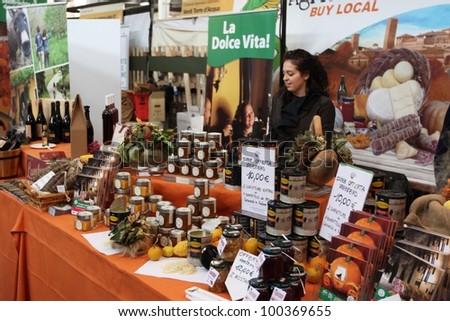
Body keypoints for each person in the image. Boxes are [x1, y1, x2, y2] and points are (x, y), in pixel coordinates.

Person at [269, 49, 335, 144]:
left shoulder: (323, 105)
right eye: (284, 74)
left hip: (305, 157)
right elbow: (272, 135)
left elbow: (323, 146)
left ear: (306, 75)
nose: (285, 78)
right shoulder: (279, 98)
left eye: (290, 74)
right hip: (276, 157)